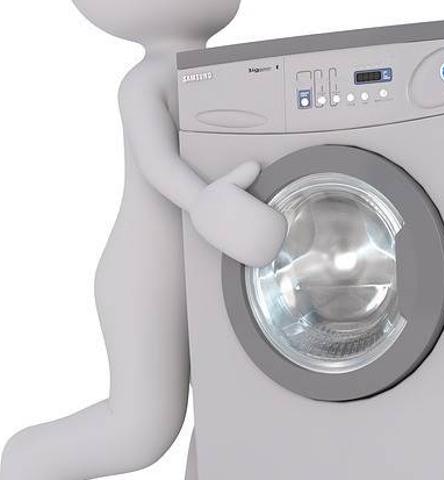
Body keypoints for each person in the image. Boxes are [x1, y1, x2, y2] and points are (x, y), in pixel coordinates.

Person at [0, 1, 286, 479]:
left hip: (214, 259)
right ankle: (28, 463)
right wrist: (203, 204)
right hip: (146, 274)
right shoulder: (144, 82)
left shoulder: (233, 72)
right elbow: (158, 163)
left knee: (228, 403)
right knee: (142, 428)